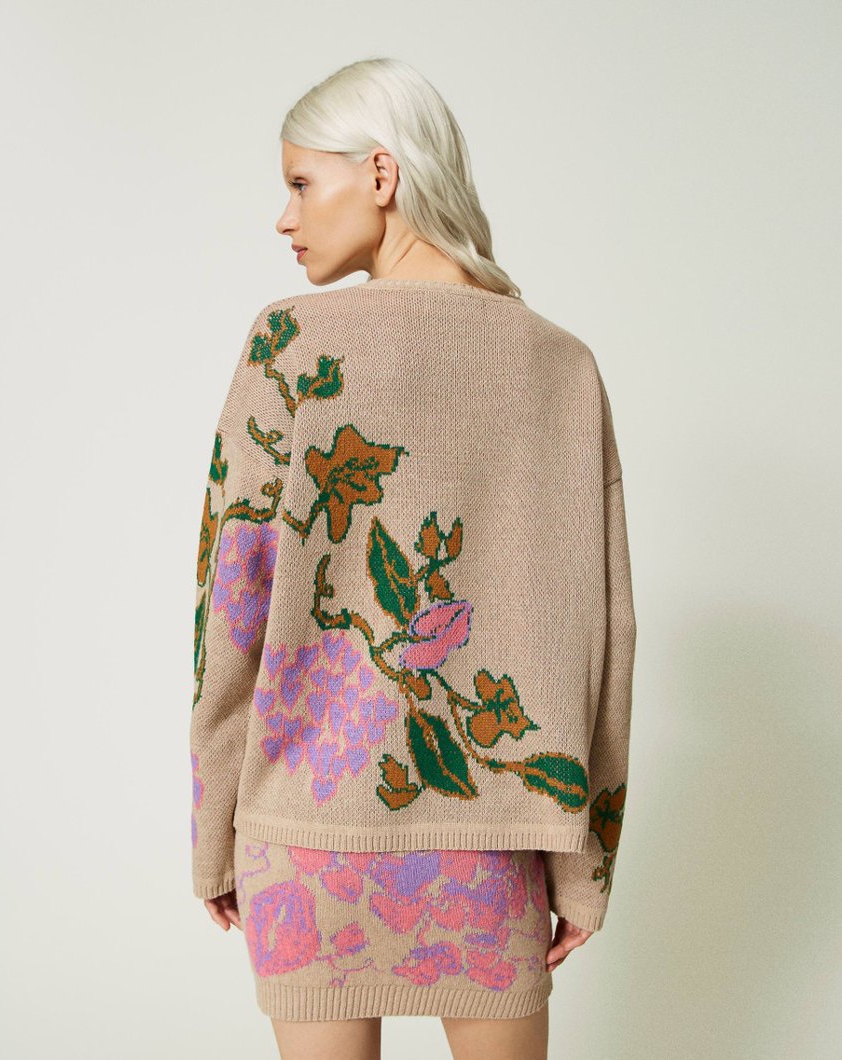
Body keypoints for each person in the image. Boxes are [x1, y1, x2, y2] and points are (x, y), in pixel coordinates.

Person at [190, 57, 637, 1060]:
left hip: (306, 833)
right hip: (497, 835)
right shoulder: (561, 365)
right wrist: (586, 861)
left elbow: (231, 599)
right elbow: (602, 631)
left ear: (381, 174)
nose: (284, 217)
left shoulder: (289, 344)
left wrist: (214, 825)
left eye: (301, 182)